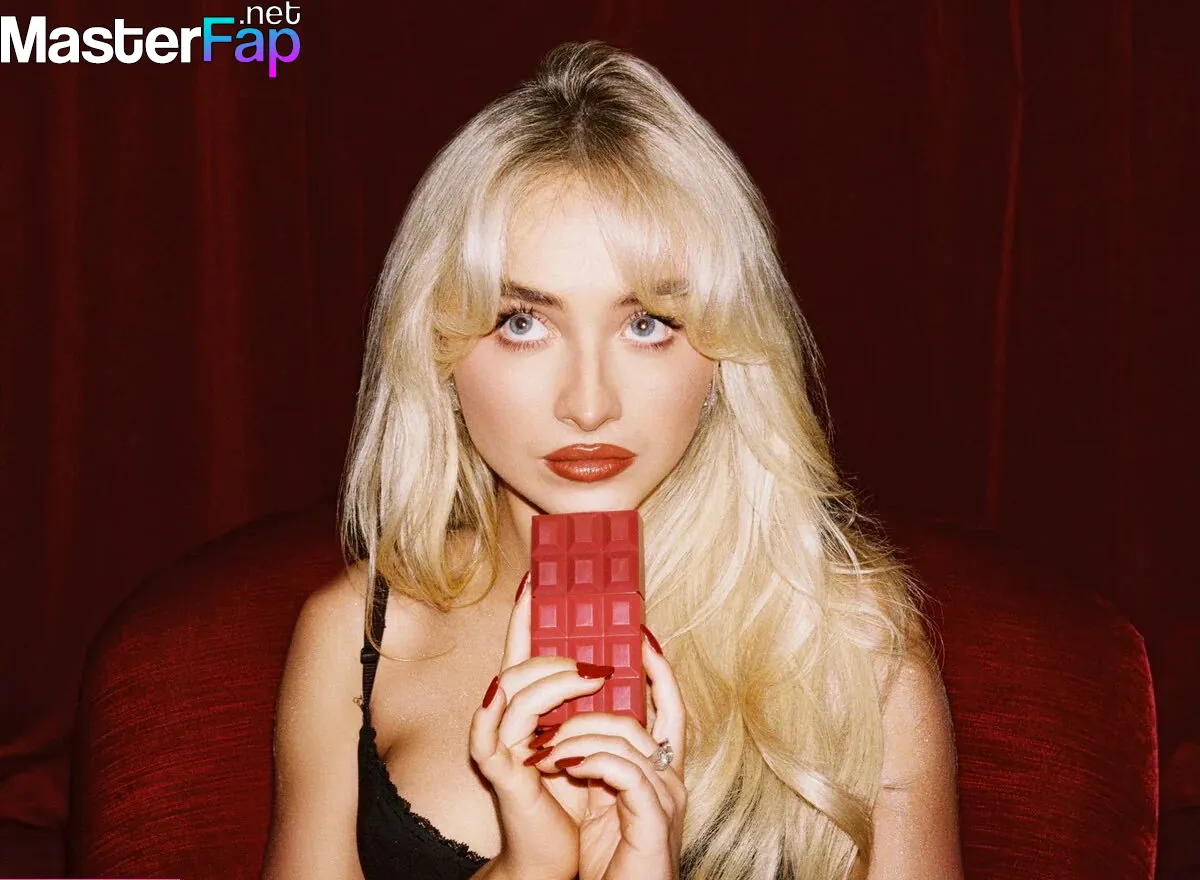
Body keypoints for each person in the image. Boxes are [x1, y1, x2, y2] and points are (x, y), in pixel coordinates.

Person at [262, 40, 963, 880]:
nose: (588, 404)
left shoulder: (850, 639)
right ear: (438, 348)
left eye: (647, 324)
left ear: (727, 354)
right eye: (523, 322)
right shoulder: (355, 634)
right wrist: (528, 868)